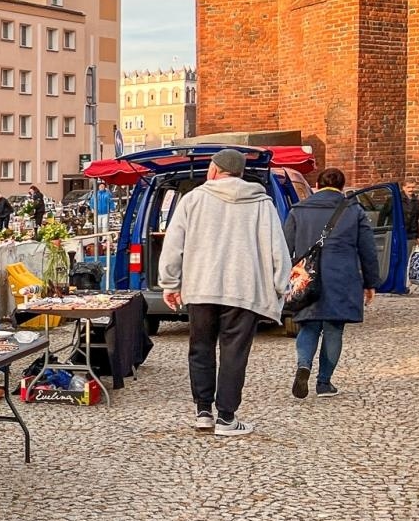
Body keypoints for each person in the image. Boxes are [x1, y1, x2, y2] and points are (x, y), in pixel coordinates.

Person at [157, 148, 291, 436]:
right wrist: (282, 286)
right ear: (240, 173)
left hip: (201, 287)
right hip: (244, 289)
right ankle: (227, 418)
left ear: (215, 170)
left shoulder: (192, 200)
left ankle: (203, 411)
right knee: (234, 353)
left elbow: (173, 244)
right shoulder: (261, 204)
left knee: (200, 348)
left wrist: (170, 283)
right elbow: (277, 248)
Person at [282, 168, 379, 399]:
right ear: (342, 187)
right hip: (342, 278)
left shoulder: (299, 210)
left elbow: (285, 247)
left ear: (316, 185)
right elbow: (368, 249)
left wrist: (283, 279)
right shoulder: (353, 210)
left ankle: (303, 365)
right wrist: (370, 282)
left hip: (306, 277)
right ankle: (324, 383)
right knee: (334, 329)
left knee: (308, 324)